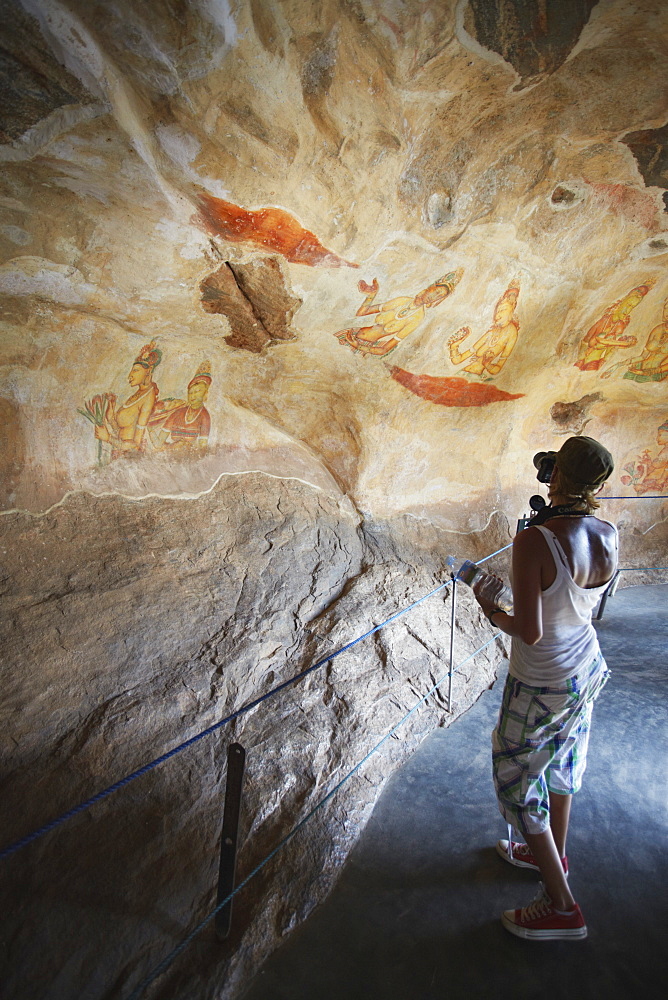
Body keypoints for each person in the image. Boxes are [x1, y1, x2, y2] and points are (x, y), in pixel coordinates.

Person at [473, 436, 617, 941]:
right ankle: (552, 853)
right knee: (562, 760)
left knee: (515, 776)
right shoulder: (608, 531)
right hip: (586, 666)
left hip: (542, 677)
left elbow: (529, 630)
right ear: (598, 484)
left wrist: (488, 604)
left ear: (554, 476)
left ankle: (561, 906)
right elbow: (583, 603)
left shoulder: (535, 540)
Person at [333, 269, 463, 357]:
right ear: (428, 289)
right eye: (435, 291)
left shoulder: (417, 318)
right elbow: (362, 312)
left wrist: (358, 346)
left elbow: (384, 349)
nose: (433, 296)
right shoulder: (402, 300)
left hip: (362, 346)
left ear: (437, 301)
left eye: (438, 296)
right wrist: (372, 295)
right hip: (352, 333)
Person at [95, 341, 161, 458]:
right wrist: (110, 415)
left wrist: (108, 438)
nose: (130, 375)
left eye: (135, 370)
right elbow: (121, 432)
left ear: (148, 371)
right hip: (119, 454)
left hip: (130, 459)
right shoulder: (137, 394)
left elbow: (135, 445)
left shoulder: (148, 398)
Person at [447, 280, 520, 380]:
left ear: (512, 311)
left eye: (502, 310)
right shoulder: (491, 333)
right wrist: (454, 346)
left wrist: (487, 364)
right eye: (497, 311)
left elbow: (497, 369)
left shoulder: (512, 333)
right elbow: (457, 360)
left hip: (476, 379)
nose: (497, 315)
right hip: (462, 374)